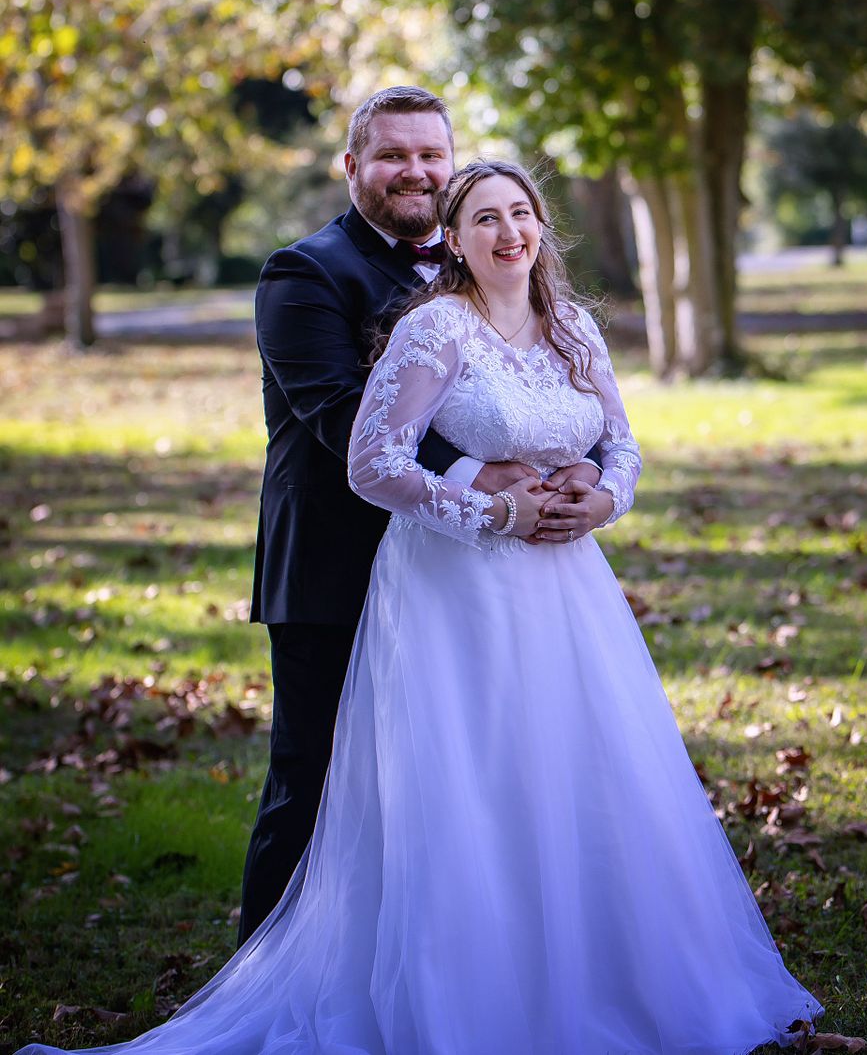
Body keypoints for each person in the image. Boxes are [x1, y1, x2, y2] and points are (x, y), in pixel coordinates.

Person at [16, 158, 823, 1055]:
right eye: (485, 218)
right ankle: (469, 995)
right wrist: (492, 508)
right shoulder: (437, 328)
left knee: (573, 768)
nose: (508, 232)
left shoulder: (575, 329)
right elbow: (371, 462)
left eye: (521, 214)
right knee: (471, 779)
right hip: (457, 587)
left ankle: (600, 980)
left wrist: (603, 492)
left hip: (568, 586)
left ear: (543, 227)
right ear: (455, 238)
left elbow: (623, 443)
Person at [239, 86, 604, 941]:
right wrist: (488, 474)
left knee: (458, 781)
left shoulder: (475, 262)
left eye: (430, 155)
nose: (415, 171)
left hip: (462, 573)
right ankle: (267, 971)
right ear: (352, 167)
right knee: (317, 781)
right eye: (393, 155)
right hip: (335, 564)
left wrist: (573, 472)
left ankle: (437, 965)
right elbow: (336, 411)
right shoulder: (304, 273)